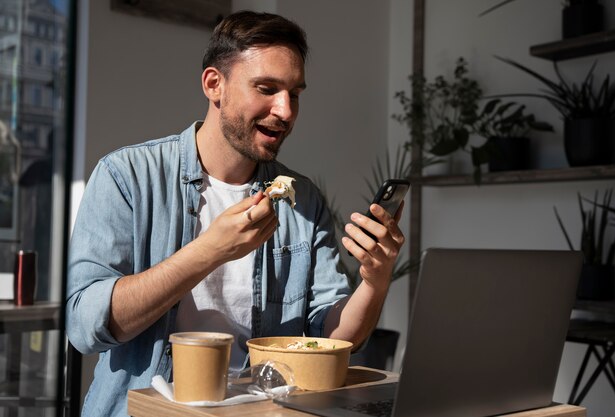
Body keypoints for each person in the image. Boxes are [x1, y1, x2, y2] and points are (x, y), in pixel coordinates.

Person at [66, 10, 405, 417]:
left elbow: (329, 339)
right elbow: (86, 327)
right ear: (215, 85)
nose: (286, 111)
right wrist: (209, 250)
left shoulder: (303, 201)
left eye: (294, 93)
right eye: (267, 88)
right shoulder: (126, 177)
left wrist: (375, 281)